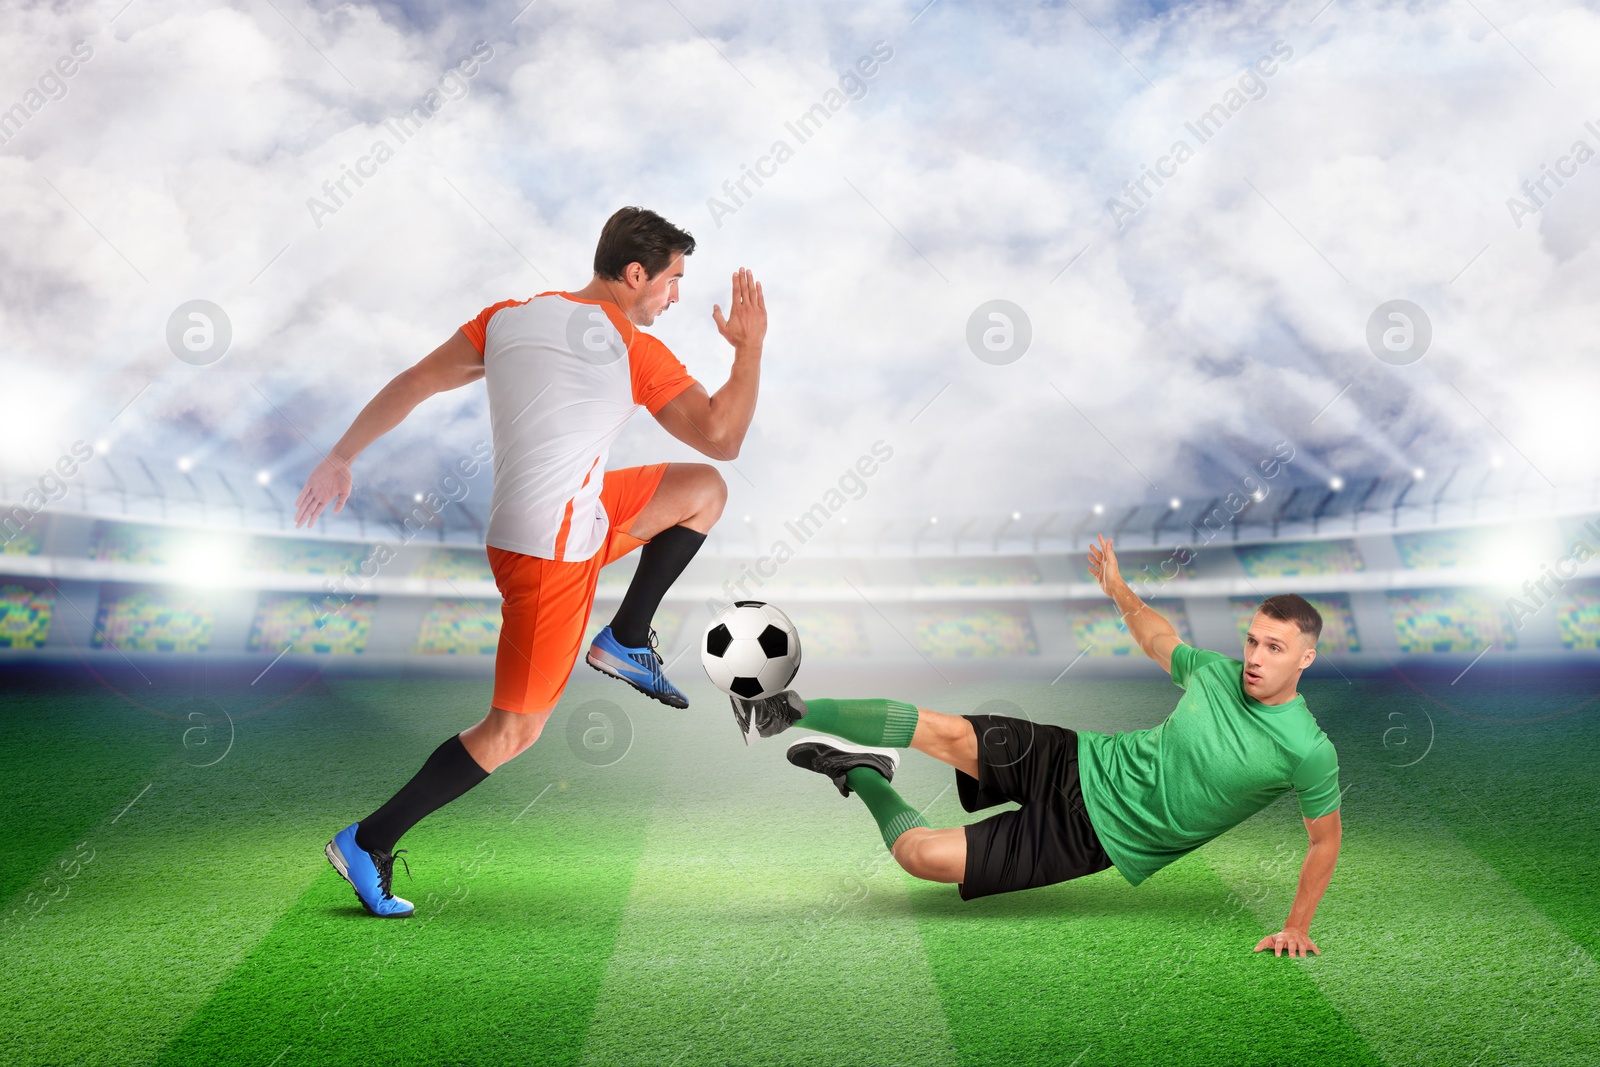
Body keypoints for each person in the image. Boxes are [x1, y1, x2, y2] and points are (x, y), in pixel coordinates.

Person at [295, 206, 768, 917]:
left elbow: (416, 380)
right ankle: (368, 838)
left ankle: (626, 638)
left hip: (536, 523)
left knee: (701, 492)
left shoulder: (508, 318)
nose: (674, 298)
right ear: (635, 274)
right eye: (672, 281)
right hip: (555, 553)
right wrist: (749, 347)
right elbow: (723, 434)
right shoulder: (632, 349)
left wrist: (341, 455)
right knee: (514, 730)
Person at [735, 534, 1342, 957]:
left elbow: (1323, 842)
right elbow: (1159, 638)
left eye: (1275, 648)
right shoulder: (1215, 673)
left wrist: (1296, 924)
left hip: (1093, 839)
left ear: (1306, 658)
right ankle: (785, 709)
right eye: (1253, 641)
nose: (1256, 659)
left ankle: (862, 772)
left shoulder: (1308, 750)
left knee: (922, 858)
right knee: (943, 731)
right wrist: (1118, 589)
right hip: (1078, 760)